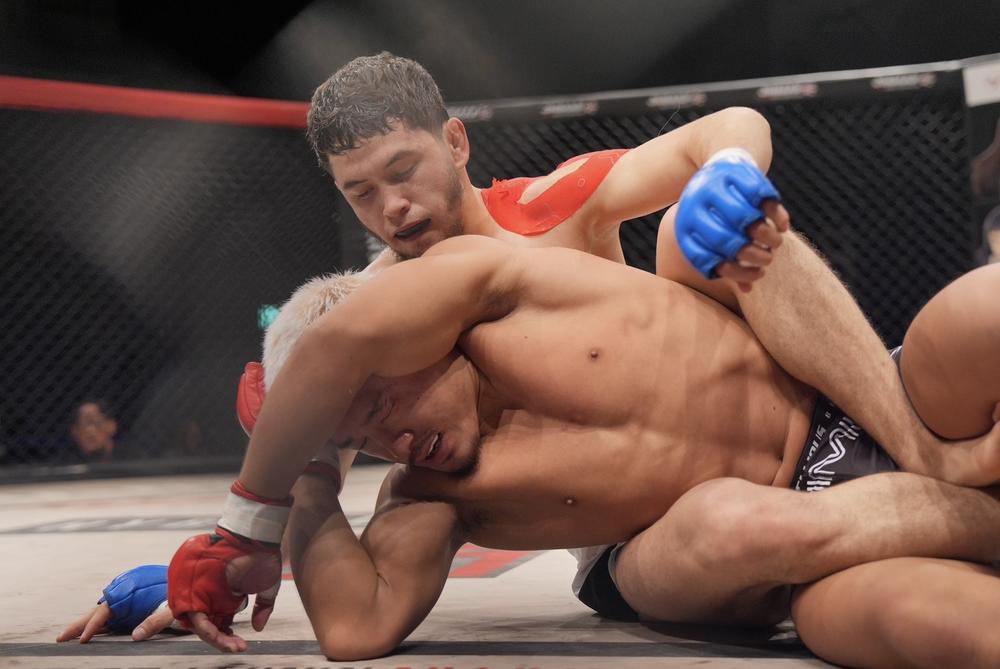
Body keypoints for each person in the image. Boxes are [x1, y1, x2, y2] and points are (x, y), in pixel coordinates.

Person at [147, 232, 998, 665]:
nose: (390, 439)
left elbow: (345, 339)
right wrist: (303, 479)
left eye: (380, 402)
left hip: (863, 406)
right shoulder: (432, 494)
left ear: (407, 334)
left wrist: (250, 501)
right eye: (356, 440)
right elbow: (354, 627)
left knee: (971, 317)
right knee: (745, 528)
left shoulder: (495, 282)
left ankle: (949, 477)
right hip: (781, 568)